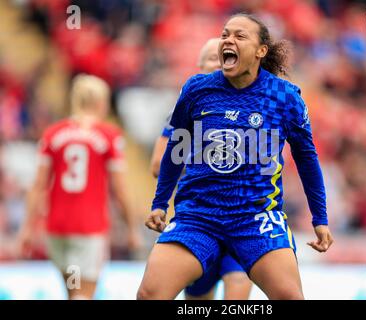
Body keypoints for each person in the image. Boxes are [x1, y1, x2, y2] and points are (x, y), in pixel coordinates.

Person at [138, 13, 333, 300]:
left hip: (256, 217)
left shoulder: (285, 96)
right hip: (199, 215)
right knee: (149, 295)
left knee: (290, 297)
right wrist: (159, 203)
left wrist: (320, 217)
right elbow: (174, 151)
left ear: (260, 51)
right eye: (225, 34)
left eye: (240, 36)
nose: (228, 40)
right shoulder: (197, 89)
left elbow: (307, 160)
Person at [18, 74, 141, 300]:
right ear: (100, 102)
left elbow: (38, 185)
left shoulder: (52, 134)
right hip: (89, 228)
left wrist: (26, 227)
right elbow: (120, 188)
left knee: (73, 289)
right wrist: (132, 227)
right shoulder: (108, 136)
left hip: (58, 228)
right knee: (83, 293)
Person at [149, 38, 253, 300]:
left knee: (238, 284)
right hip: (199, 219)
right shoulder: (186, 110)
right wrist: (203, 171)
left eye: (224, 58)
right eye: (211, 59)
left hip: (241, 217)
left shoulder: (251, 105)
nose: (219, 63)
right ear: (198, 67)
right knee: (197, 297)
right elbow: (157, 164)